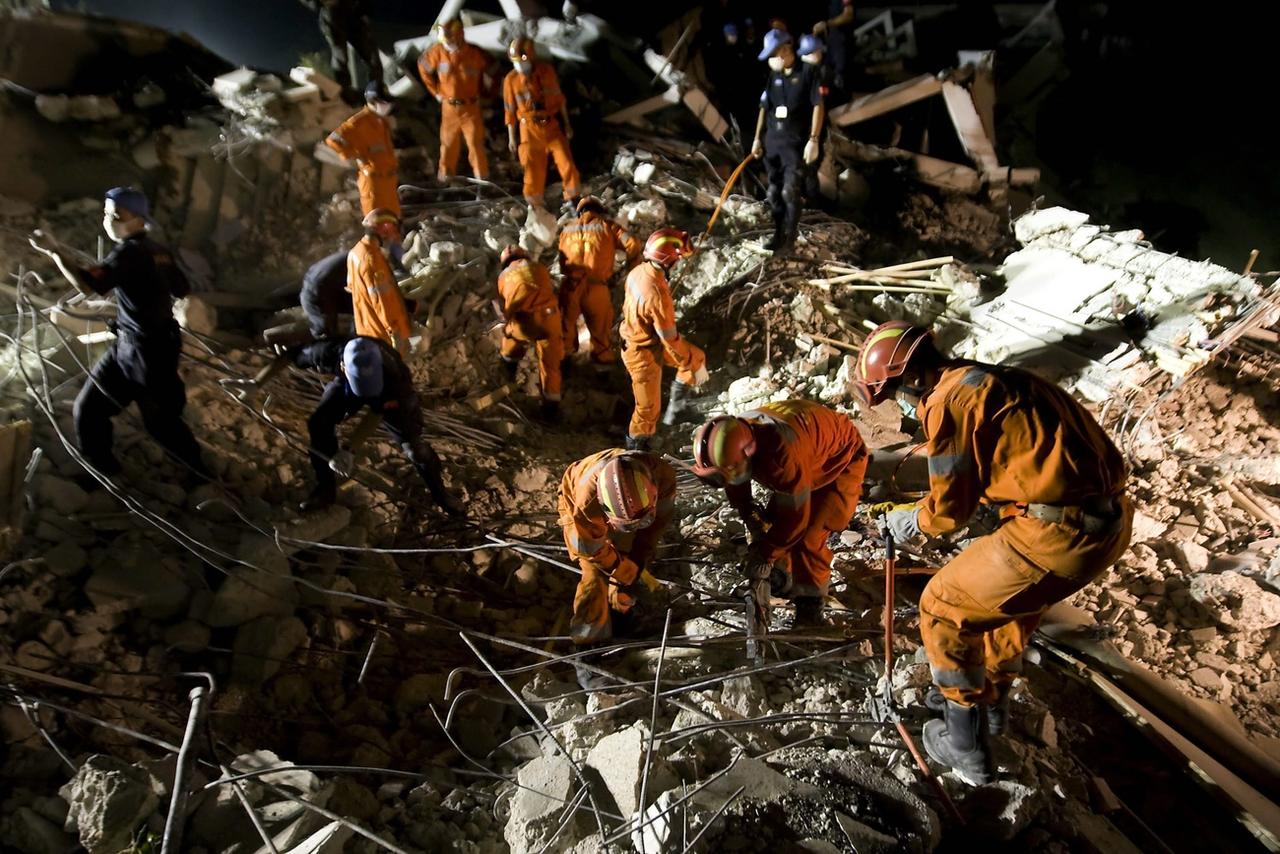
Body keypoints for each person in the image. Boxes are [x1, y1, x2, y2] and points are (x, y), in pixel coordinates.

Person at [854, 321, 1132, 785]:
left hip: (1054, 533)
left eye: (896, 393)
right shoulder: (1000, 379)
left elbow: (948, 509)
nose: (901, 405)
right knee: (1009, 605)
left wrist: (908, 519)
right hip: (1106, 522)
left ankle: (964, 745)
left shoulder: (948, 401)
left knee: (942, 607)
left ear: (911, 379)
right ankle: (994, 707)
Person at [28, 187, 206, 480]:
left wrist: (54, 251)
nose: (109, 220)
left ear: (138, 220)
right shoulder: (157, 251)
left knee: (159, 422)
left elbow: (88, 286)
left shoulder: (129, 253)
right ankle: (103, 470)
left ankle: (201, 474)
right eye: (106, 213)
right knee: (90, 410)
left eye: (116, 215)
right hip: (138, 345)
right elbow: (181, 289)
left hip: (145, 352)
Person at [690, 400, 867, 625]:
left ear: (749, 453)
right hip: (809, 451)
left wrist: (764, 554)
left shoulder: (781, 457)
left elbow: (796, 521)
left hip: (841, 458)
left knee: (809, 535)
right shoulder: (735, 437)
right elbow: (734, 477)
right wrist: (748, 511)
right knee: (775, 524)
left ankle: (810, 607)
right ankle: (784, 577)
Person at [301, 336, 463, 515]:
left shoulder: (397, 380)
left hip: (385, 391)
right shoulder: (326, 352)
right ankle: (325, 489)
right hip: (347, 384)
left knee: (415, 449)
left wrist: (349, 449)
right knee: (319, 423)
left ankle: (441, 495)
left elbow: (378, 411)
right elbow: (288, 355)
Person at [559, 449, 676, 654]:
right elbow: (590, 550)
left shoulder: (662, 477)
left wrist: (638, 559)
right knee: (595, 574)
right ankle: (589, 646)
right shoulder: (587, 505)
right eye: (628, 526)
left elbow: (656, 527)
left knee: (630, 562)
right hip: (575, 494)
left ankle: (620, 611)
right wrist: (618, 567)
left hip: (625, 509)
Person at [619, 228, 708, 450]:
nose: (678, 263)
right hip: (641, 353)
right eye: (677, 258)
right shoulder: (656, 294)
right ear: (668, 260)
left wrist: (691, 360)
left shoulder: (639, 271)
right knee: (647, 409)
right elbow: (670, 339)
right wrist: (688, 361)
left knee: (696, 358)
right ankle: (637, 449)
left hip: (644, 339)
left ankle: (676, 411)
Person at [751, 28, 824, 251]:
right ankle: (777, 235)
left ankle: (789, 241)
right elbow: (764, 108)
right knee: (774, 193)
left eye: (774, 54)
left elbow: (818, 105)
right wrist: (757, 139)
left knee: (789, 191)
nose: (772, 60)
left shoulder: (808, 72)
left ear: (785, 49)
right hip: (773, 142)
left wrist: (814, 139)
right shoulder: (774, 76)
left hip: (795, 143)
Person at [557, 196, 641, 369]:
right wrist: (632, 268)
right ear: (598, 210)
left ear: (580, 211)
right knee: (601, 332)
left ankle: (564, 367)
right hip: (596, 288)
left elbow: (561, 260)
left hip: (570, 286)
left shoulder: (566, 230)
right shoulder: (608, 226)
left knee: (565, 327)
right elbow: (633, 243)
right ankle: (602, 371)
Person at [502, 37, 581, 209]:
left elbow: (559, 100)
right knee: (532, 171)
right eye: (515, 62)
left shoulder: (546, 72)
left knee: (566, 162)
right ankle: (535, 205)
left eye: (521, 61)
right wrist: (511, 137)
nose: (519, 66)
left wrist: (567, 124)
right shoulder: (511, 80)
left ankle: (573, 198)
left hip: (551, 125)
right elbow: (509, 111)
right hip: (528, 129)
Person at [417, 18, 492, 185]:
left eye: (450, 40)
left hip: (470, 107)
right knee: (448, 144)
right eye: (445, 40)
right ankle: (445, 180)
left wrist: (487, 92)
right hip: (449, 107)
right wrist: (435, 91)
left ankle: (482, 181)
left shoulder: (475, 54)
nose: (447, 44)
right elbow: (423, 67)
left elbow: (491, 71)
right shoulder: (437, 53)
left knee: (475, 144)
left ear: (460, 36)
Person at [496, 246, 564, 422]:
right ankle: (550, 410)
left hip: (525, 321)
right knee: (550, 366)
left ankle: (507, 372)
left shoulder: (503, 277)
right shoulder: (539, 267)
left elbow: (505, 308)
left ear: (504, 263)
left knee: (511, 337)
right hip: (550, 317)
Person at [325, 80, 400, 217]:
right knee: (376, 223)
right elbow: (332, 140)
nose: (388, 106)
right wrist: (355, 155)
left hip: (388, 180)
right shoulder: (358, 122)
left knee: (393, 221)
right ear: (373, 101)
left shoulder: (382, 122)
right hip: (373, 182)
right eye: (384, 103)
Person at [348, 209, 412, 357]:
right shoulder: (372, 259)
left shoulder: (356, 252)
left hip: (367, 331)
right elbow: (382, 301)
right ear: (385, 228)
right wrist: (395, 332)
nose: (395, 236)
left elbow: (353, 288)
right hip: (385, 337)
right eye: (394, 229)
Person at [297, 0, 382, 96]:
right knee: (340, 55)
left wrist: (365, 10)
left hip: (355, 14)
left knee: (372, 55)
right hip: (333, 16)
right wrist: (320, 3)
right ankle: (346, 92)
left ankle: (375, 91)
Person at [797, 33, 836, 205]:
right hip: (811, 129)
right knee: (810, 168)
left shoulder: (796, 72)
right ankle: (811, 203)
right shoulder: (819, 74)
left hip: (799, 128)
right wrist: (815, 137)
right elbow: (819, 105)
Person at [300, 250, 353, 340]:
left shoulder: (359, 256)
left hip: (321, 286)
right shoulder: (363, 259)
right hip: (317, 290)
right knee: (325, 333)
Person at [811, 0, 854, 93]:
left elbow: (848, 15)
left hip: (842, 44)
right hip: (831, 45)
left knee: (842, 79)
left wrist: (826, 24)